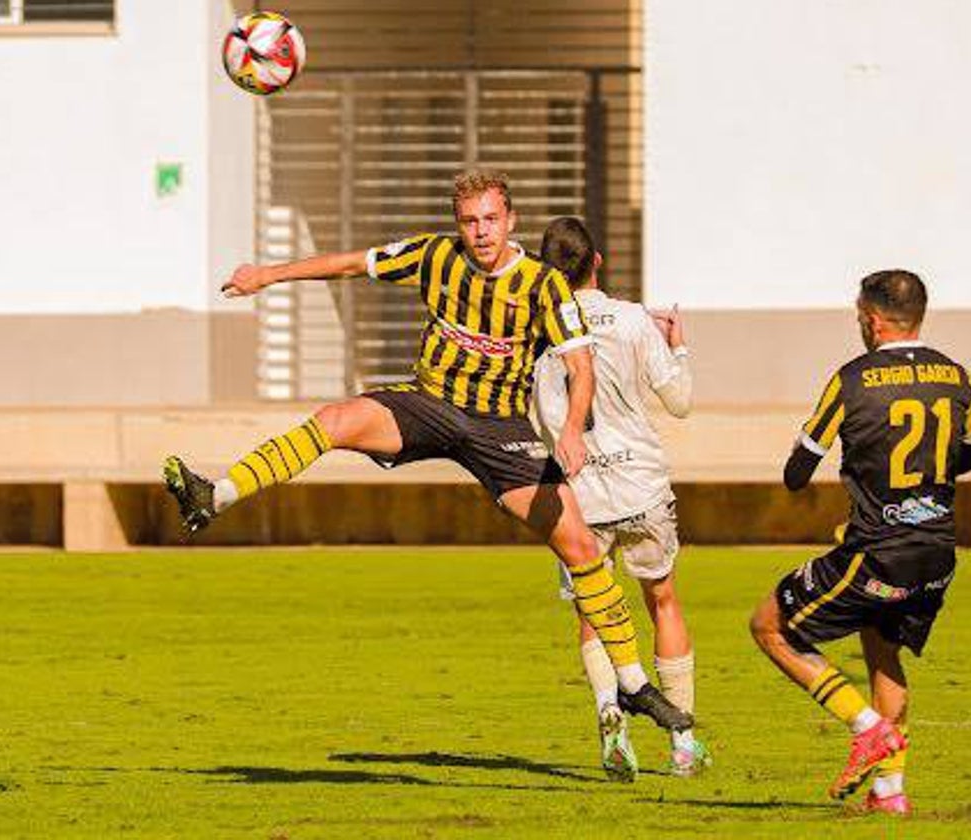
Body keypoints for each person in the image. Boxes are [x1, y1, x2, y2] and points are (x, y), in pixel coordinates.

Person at [163, 170, 692, 736]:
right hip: (432, 406)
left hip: (499, 429)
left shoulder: (544, 286)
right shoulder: (434, 257)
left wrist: (570, 434)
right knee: (335, 421)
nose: (481, 232)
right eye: (470, 221)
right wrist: (267, 275)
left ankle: (633, 685)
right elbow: (348, 264)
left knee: (580, 546)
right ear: (458, 225)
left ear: (510, 220)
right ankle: (214, 495)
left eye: (491, 219)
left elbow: (580, 367)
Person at [748, 269, 971, 815]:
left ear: (874, 320)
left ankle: (866, 727)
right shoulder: (957, 376)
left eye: (861, 317)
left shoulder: (853, 379)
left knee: (769, 626)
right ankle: (890, 793)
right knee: (883, 653)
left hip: (878, 550)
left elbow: (796, 472)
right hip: (937, 554)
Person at [532, 217, 711, 782]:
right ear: (598, 262)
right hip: (641, 484)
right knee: (663, 600)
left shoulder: (537, 329)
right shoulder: (634, 319)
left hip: (578, 493)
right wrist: (677, 349)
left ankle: (612, 719)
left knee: (594, 610)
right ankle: (682, 739)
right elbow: (679, 402)